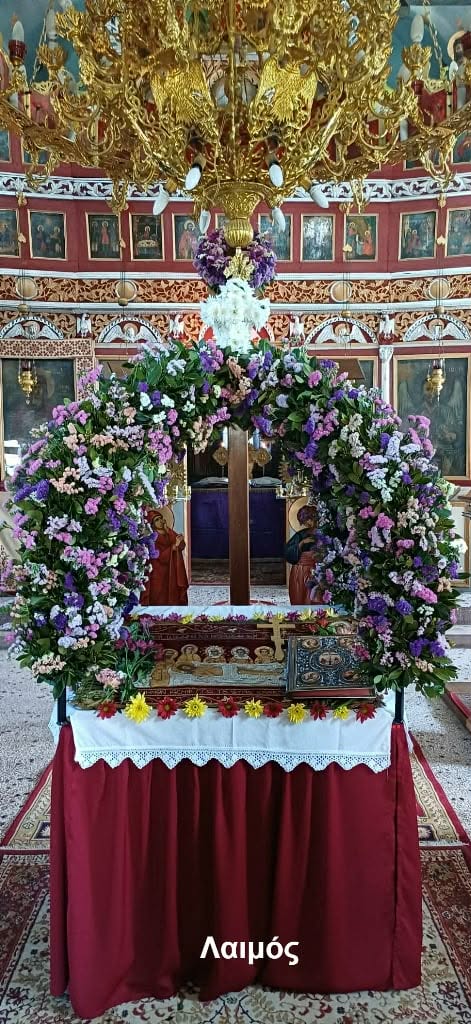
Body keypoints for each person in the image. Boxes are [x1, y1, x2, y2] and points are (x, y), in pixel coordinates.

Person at [141, 506, 188, 606]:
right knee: (158, 594)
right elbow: (157, 555)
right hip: (157, 571)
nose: (160, 521)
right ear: (152, 524)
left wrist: (174, 538)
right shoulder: (152, 536)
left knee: (172, 593)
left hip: (171, 570)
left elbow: (181, 545)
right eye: (157, 520)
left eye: (161, 518)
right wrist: (174, 547)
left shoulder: (168, 532)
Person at [285, 505, 319, 605]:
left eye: (308, 519)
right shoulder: (301, 535)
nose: (307, 523)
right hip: (300, 571)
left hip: (317, 570)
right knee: (300, 597)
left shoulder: (323, 533)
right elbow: (288, 552)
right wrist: (302, 543)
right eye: (304, 521)